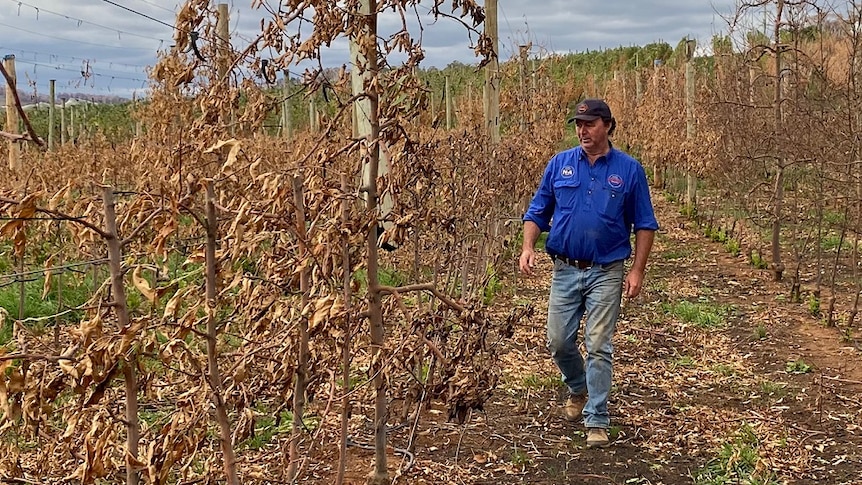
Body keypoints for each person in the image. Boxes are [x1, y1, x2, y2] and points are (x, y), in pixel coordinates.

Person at [519, 98, 658, 448]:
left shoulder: (629, 169)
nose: (582, 130)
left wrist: (637, 270)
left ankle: (597, 416)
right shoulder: (560, 164)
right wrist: (528, 246)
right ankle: (578, 386)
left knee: (598, 343)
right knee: (558, 340)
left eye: (590, 124)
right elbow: (537, 211)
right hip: (565, 268)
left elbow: (644, 224)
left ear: (607, 125)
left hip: (607, 270)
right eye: (578, 124)